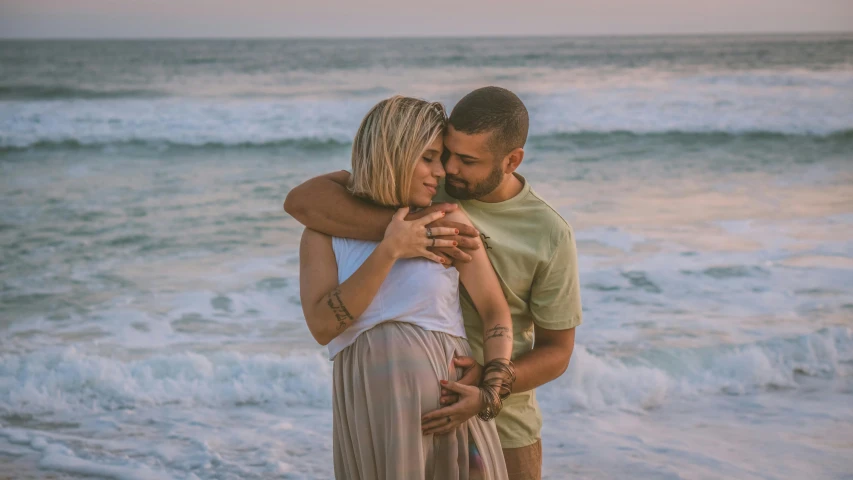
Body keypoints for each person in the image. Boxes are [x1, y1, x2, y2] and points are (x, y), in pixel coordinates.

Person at [286, 86, 583, 480]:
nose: (449, 169)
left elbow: (558, 351)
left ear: (511, 161)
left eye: (466, 160)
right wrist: (403, 238)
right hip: (384, 412)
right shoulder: (428, 196)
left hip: (505, 418)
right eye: (443, 154)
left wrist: (490, 390)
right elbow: (303, 201)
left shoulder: (549, 233)